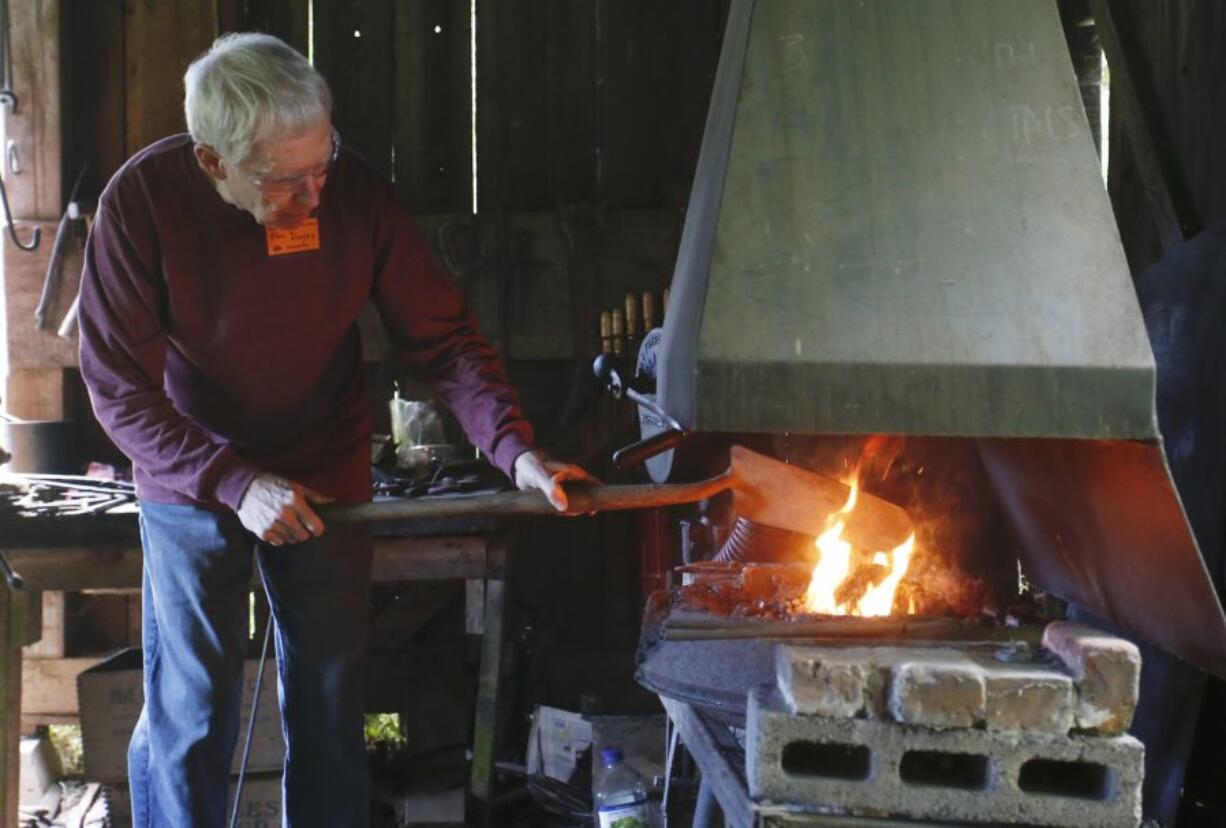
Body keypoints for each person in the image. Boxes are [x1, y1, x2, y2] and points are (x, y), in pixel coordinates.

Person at [77, 32, 594, 828]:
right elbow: (118, 391)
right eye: (285, 182)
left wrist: (514, 447)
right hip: (192, 475)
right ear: (214, 163)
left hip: (323, 463)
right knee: (193, 710)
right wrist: (233, 482)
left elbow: (445, 340)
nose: (315, 197)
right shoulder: (141, 204)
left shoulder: (351, 194)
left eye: (322, 166)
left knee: (326, 700)